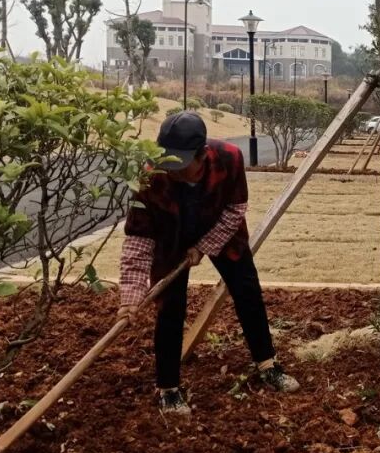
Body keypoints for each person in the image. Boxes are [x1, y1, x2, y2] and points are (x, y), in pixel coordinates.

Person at [119, 112, 299, 415]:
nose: (172, 171)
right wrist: (131, 298)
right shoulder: (150, 174)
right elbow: (139, 238)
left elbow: (235, 208)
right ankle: (169, 389)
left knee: (247, 293)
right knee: (170, 308)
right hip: (172, 239)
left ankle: (268, 365)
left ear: (202, 156)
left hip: (222, 232)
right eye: (168, 163)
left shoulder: (229, 159)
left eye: (181, 165)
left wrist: (204, 246)